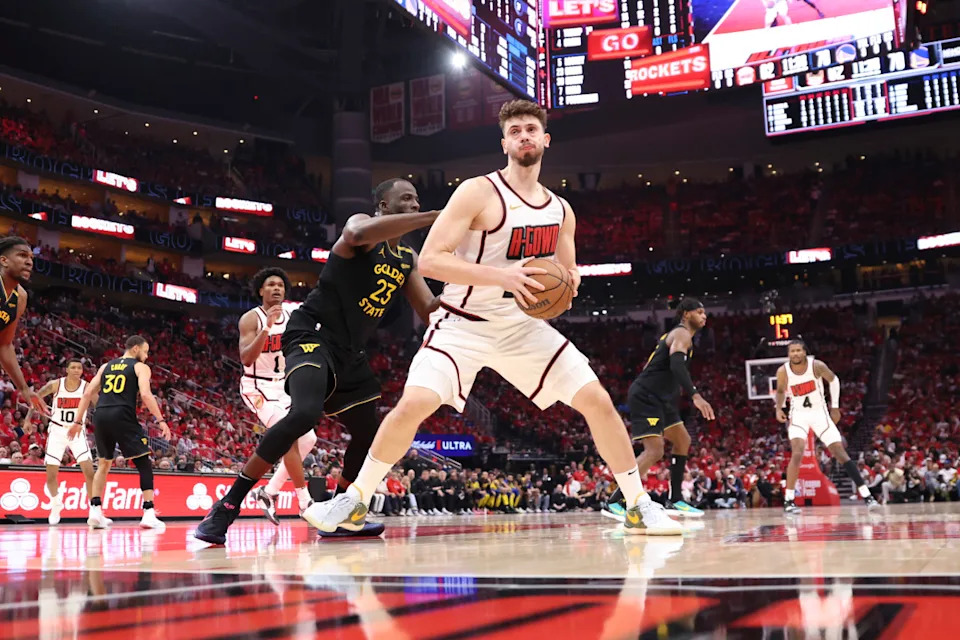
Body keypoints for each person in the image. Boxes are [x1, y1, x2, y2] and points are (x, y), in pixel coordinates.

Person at [314, 99, 681, 536]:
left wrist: (567, 287)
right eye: (515, 131)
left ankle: (638, 503)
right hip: (461, 321)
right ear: (504, 142)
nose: (524, 136)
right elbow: (430, 260)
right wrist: (502, 277)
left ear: (545, 140)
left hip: (522, 326)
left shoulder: (561, 210)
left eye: (531, 129)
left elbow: (568, 273)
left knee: (598, 401)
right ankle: (354, 499)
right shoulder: (477, 191)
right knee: (413, 404)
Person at [195, 178, 441, 544]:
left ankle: (339, 511)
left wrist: (477, 291)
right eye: (405, 199)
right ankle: (227, 506)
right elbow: (356, 233)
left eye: (416, 200)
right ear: (383, 206)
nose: (413, 203)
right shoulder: (362, 227)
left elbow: (428, 309)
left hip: (350, 353)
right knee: (305, 414)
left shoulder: (407, 258)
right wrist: (433, 216)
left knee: (368, 432)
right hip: (312, 334)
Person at [602, 298, 715, 522]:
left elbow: (652, 367)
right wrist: (695, 395)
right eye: (699, 312)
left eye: (705, 313)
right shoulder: (681, 333)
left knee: (682, 440)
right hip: (647, 397)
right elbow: (676, 365)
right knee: (655, 450)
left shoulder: (678, 336)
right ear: (685, 314)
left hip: (661, 399)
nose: (704, 316)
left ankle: (675, 499)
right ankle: (615, 500)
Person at [67, 335, 172, 529]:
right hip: (122, 414)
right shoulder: (140, 367)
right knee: (143, 462)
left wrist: (77, 421)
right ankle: (148, 513)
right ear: (135, 349)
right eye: (145, 351)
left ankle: (95, 512)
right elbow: (146, 395)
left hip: (101, 415)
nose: (147, 356)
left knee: (104, 463)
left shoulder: (105, 366)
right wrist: (161, 420)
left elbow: (88, 393)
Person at [237, 267, 315, 524]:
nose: (277, 288)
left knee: (309, 439)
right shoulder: (251, 319)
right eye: (271, 284)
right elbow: (247, 358)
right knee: (289, 435)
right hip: (257, 386)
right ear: (261, 290)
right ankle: (305, 502)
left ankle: (269, 492)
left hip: (283, 386)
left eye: (281, 285)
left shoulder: (294, 313)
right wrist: (267, 327)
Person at [775, 339, 880, 514]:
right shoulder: (783, 371)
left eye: (798, 350)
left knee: (840, 452)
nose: (795, 354)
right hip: (798, 416)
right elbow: (779, 391)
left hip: (820, 414)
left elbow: (834, 380)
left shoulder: (816, 366)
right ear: (788, 354)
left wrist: (835, 407)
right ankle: (789, 501)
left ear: (804, 352)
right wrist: (778, 408)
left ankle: (867, 496)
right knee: (798, 453)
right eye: (792, 351)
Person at [24, 359, 96, 524]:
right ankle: (56, 504)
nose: (77, 370)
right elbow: (35, 399)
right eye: (73, 367)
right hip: (57, 431)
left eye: (79, 368)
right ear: (67, 369)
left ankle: (94, 508)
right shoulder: (56, 385)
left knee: (89, 472)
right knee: (50, 476)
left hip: (77, 431)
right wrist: (28, 420)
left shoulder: (87, 387)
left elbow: (101, 404)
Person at [0, 236, 48, 416]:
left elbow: (4, 345)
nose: (29, 262)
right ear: (3, 260)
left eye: (31, 258)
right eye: (22, 255)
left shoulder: (20, 297)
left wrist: (24, 388)